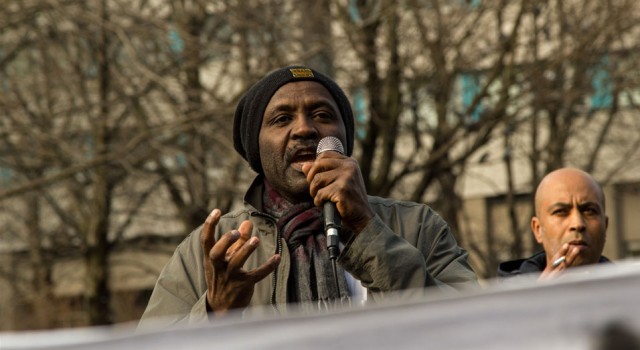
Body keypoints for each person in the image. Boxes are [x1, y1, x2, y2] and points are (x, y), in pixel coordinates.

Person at [138, 65, 477, 327]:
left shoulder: (416, 227)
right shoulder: (212, 253)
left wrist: (366, 230)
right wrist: (215, 312)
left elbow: (476, 326)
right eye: (282, 119)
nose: (304, 129)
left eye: (322, 115)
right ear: (257, 148)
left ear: (344, 137)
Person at [498, 167, 610, 279]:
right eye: (560, 212)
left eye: (589, 211)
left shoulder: (626, 291)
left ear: (605, 226)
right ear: (537, 229)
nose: (577, 224)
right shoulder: (506, 295)